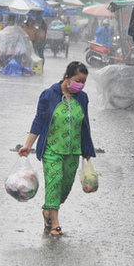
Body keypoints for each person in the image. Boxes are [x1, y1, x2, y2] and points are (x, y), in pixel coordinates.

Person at [18, 61, 96, 236]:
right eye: (78, 80)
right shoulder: (49, 95)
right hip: (52, 150)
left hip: (73, 152)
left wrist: (87, 150)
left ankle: (48, 211)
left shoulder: (82, 98)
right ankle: (56, 224)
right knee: (54, 182)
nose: (80, 85)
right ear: (67, 77)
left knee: (65, 187)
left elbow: (85, 125)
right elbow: (38, 121)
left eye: (83, 82)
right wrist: (27, 145)